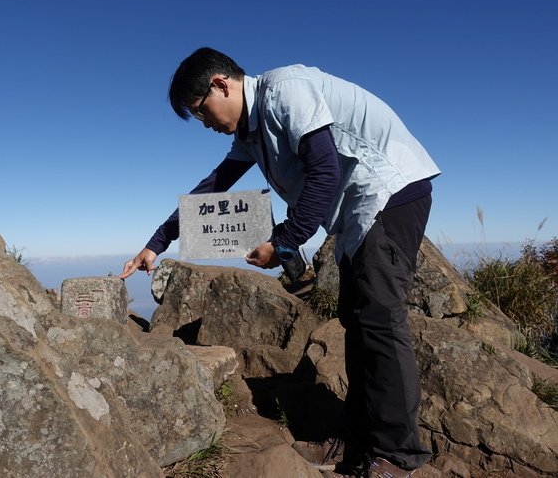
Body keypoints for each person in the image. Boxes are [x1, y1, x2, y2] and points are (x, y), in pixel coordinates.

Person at [119, 47, 439, 477]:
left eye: (201, 111)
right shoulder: (250, 134)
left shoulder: (285, 90)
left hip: (389, 192)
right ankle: (358, 442)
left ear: (221, 83)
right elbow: (213, 186)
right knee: (357, 320)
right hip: (355, 214)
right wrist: (157, 243)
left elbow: (324, 170)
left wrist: (283, 242)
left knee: (379, 320)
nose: (206, 124)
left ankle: (399, 457)